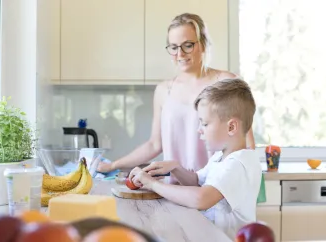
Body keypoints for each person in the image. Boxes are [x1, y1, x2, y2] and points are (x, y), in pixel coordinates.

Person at [97, 13, 255, 183]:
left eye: (187, 45)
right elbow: (154, 145)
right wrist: (113, 165)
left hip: (217, 192)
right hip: (175, 192)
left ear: (202, 44)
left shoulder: (226, 82)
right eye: (173, 47)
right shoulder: (164, 91)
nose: (180, 53)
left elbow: (247, 145)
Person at [129, 78, 262, 240]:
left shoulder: (239, 164)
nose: (199, 130)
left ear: (231, 127)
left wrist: (153, 184)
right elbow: (197, 181)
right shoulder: (220, 157)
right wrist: (175, 167)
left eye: (205, 124)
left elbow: (202, 198)